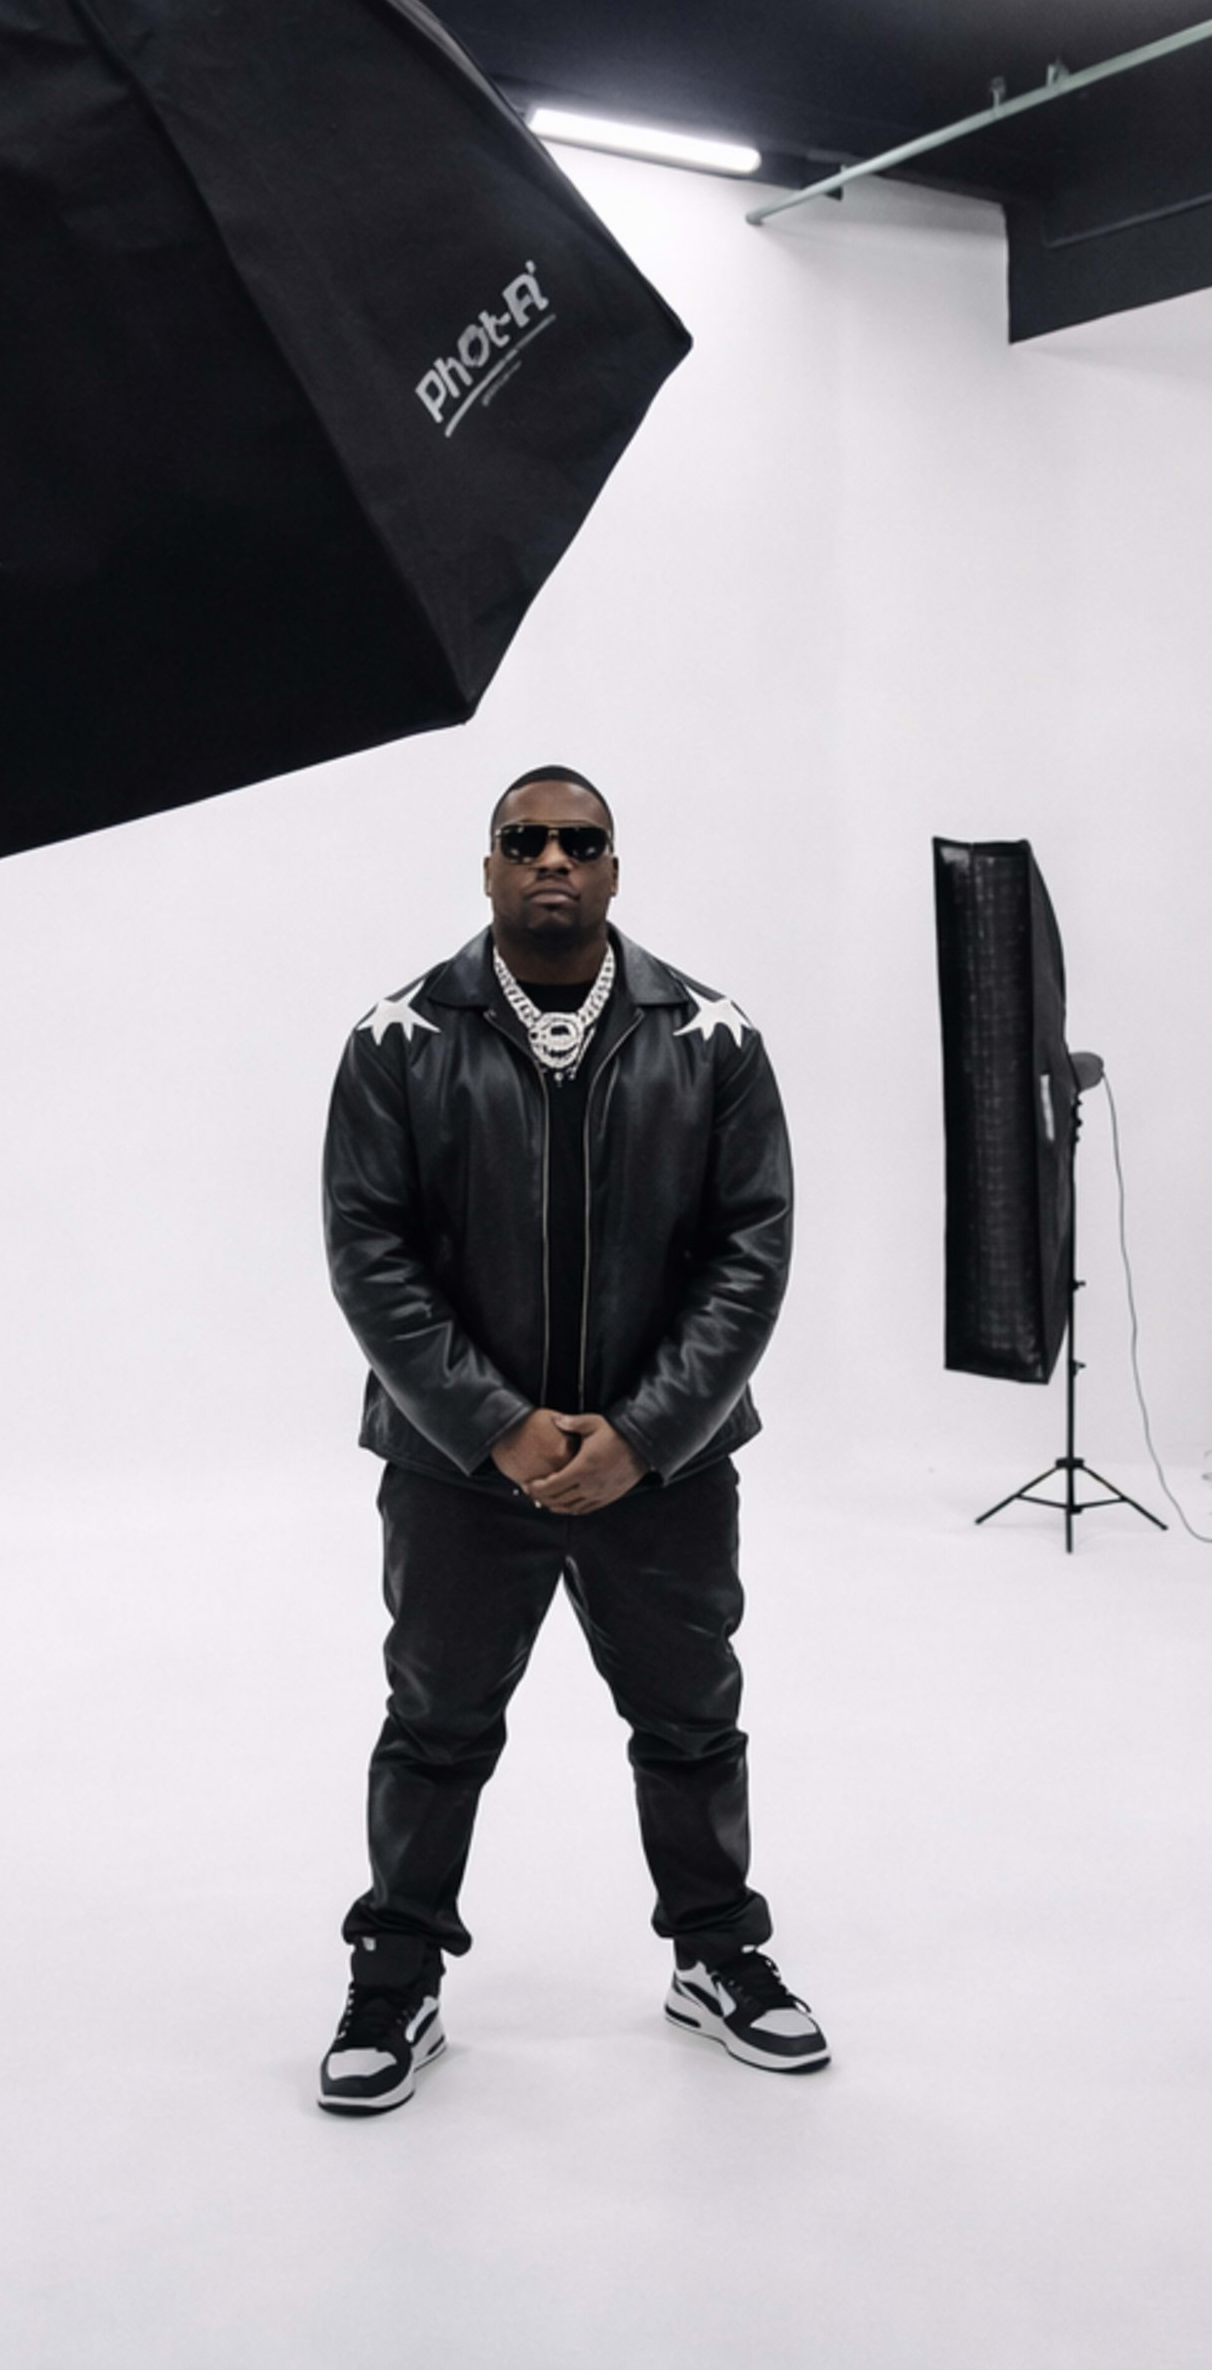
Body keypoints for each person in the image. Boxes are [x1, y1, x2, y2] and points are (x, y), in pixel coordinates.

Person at [310, 766, 815, 2114]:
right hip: (457, 1470)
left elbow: (750, 1251)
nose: (551, 861)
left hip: (668, 1467)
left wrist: (645, 1435)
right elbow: (370, 1254)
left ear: (612, 870)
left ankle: (719, 1955)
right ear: (486, 869)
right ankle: (397, 1976)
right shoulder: (400, 1039)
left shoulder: (709, 1038)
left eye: (578, 843)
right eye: (522, 841)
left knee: (693, 1720)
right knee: (435, 1725)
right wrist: (496, 1425)